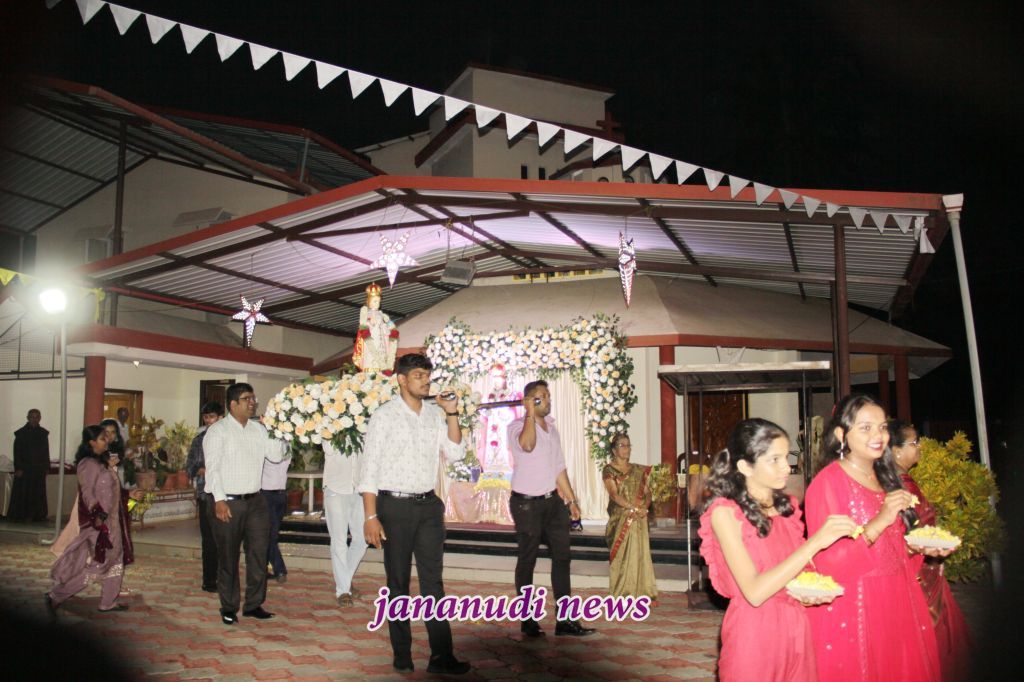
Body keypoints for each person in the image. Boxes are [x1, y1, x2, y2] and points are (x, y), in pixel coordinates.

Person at [698, 418, 856, 681]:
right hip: (755, 634)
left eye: (785, 457)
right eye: (774, 460)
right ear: (745, 466)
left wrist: (811, 591)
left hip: (797, 627)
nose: (786, 467)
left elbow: (799, 571)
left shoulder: (787, 507)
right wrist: (815, 542)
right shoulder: (725, 513)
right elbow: (755, 592)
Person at [805, 394, 944, 681]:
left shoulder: (887, 479)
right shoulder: (828, 482)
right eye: (866, 428)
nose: (878, 436)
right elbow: (828, 563)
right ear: (841, 434)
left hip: (897, 597)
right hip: (854, 605)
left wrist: (918, 548)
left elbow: (892, 549)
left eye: (882, 427)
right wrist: (880, 520)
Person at [358, 353, 471, 675]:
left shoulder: (434, 414)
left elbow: (455, 452)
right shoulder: (385, 416)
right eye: (419, 375)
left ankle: (441, 656)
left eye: (427, 376)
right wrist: (370, 517)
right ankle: (402, 654)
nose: (426, 381)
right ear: (402, 380)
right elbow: (369, 469)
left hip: (428, 507)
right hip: (394, 507)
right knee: (398, 582)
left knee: (433, 582)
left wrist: (452, 413)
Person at [507, 379, 595, 638]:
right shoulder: (516, 427)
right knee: (528, 560)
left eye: (548, 396)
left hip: (552, 502)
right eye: (542, 397)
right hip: (526, 504)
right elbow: (527, 445)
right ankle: (527, 620)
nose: (548, 400)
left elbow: (559, 467)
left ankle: (565, 621)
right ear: (530, 400)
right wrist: (529, 414)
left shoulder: (553, 429)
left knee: (563, 557)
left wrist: (572, 500)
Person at [890, 419, 973, 682]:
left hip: (927, 566)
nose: (919, 447)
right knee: (935, 638)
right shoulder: (900, 486)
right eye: (914, 442)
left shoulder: (900, 480)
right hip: (918, 570)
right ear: (896, 451)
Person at [203, 383, 287, 625]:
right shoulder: (218, 431)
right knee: (228, 557)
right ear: (233, 404)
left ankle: (254, 604)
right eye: (247, 399)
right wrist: (219, 500)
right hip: (227, 501)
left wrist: (276, 431)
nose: (252, 402)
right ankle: (229, 606)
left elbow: (277, 455)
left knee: (259, 554)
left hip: (256, 501)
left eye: (253, 398)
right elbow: (213, 468)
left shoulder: (259, 430)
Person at [46, 425, 143, 616]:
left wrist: (129, 494)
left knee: (116, 561)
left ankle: (108, 602)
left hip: (113, 522)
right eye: (102, 438)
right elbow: (88, 493)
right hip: (100, 524)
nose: (106, 441)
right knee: (100, 564)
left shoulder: (102, 462)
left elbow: (111, 490)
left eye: (107, 437)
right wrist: (98, 514)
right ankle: (56, 595)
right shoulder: (88, 464)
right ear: (91, 442)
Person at [602, 432, 657, 601]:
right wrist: (633, 507)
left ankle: (641, 591)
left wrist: (644, 507)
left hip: (638, 517)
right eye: (622, 445)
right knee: (622, 557)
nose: (626, 449)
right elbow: (614, 495)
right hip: (620, 519)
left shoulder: (638, 470)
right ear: (614, 450)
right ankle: (621, 593)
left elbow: (648, 493)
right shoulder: (609, 470)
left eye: (628, 445)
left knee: (639, 554)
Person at [324, 440, 368, 607]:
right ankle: (343, 590)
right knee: (339, 540)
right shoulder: (329, 425)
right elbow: (329, 448)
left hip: (360, 488)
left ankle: (345, 581)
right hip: (336, 487)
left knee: (362, 539)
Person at [185, 401, 223, 593]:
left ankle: (224, 578)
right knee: (209, 539)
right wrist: (200, 470)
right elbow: (189, 467)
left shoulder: (229, 437)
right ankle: (209, 580)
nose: (209, 421)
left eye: (212, 417)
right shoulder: (199, 440)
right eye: (206, 417)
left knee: (225, 539)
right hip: (205, 494)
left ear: (221, 417)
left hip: (227, 493)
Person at [8, 409, 50, 522]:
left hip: (38, 468)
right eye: (32, 417)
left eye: (36, 417)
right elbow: (17, 452)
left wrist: (46, 467)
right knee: (23, 492)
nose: (34, 419)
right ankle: (21, 514)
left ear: (40, 418)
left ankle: (38, 515)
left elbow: (46, 451)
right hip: (24, 468)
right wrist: (18, 468)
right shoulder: (21, 433)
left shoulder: (43, 433)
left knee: (38, 492)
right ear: (28, 418)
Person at [352, 282, 398, 372]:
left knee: (382, 355)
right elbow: (363, 327)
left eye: (378, 302)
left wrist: (387, 327)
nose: (377, 303)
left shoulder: (381, 314)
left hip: (381, 341)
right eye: (375, 301)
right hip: (372, 339)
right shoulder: (366, 313)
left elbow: (386, 329)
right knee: (371, 356)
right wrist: (371, 324)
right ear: (369, 302)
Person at [261, 451, 291, 584]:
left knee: (272, 535)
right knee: (271, 535)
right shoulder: (265, 445)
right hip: (266, 494)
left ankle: (262, 569)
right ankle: (280, 570)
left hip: (280, 494)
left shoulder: (287, 445)